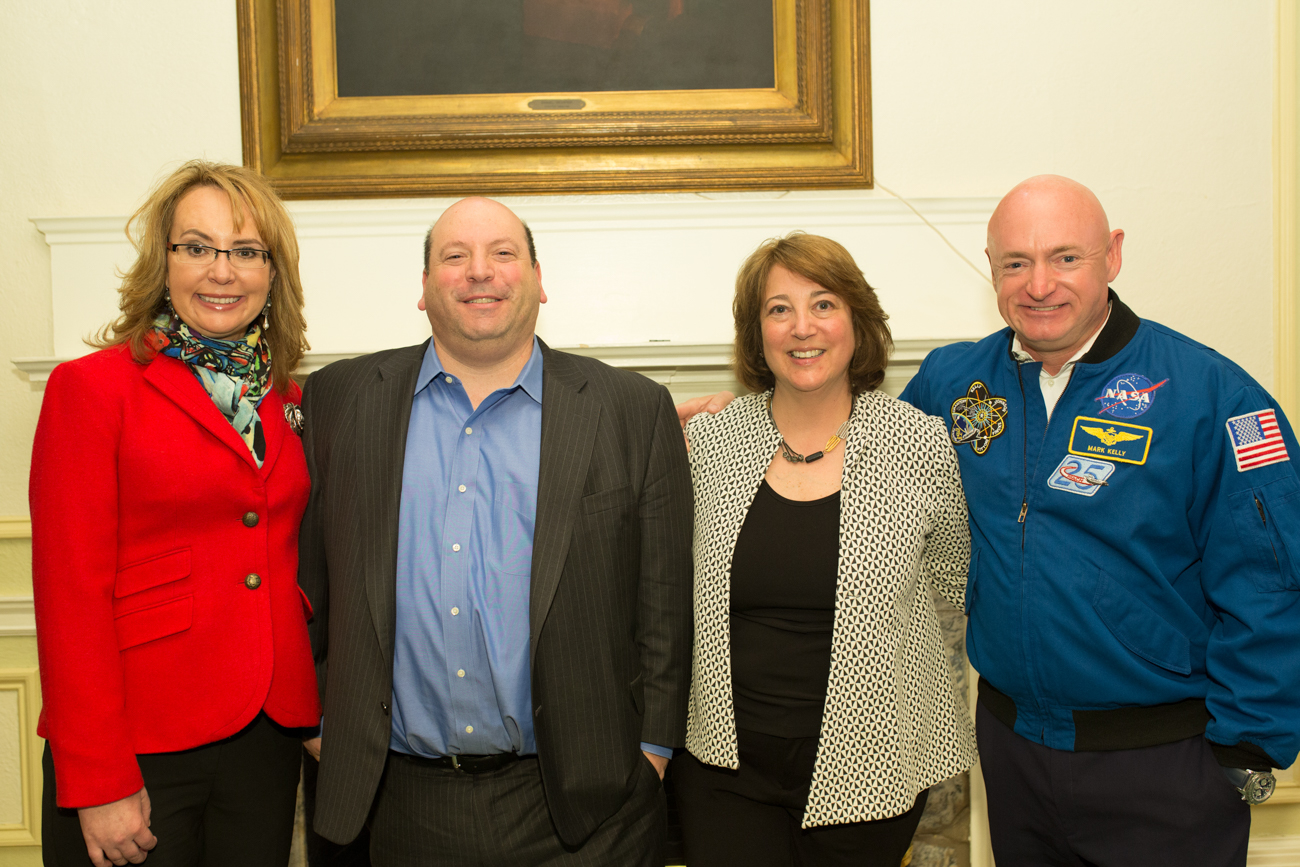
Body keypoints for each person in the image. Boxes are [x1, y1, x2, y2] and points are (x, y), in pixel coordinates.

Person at [681, 176, 1300, 866]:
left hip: (1162, 759)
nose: (1039, 285)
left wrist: (1250, 745)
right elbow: (862, 445)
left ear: (1112, 256)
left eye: (1066, 257)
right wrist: (710, 432)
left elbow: (1270, 577)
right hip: (1016, 754)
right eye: (1015, 263)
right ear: (992, 266)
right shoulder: (955, 383)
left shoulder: (1211, 395)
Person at [298, 196, 693, 866]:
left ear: (539, 279)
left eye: (502, 253)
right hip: (393, 800)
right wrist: (318, 723)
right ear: (424, 289)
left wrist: (650, 752)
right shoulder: (340, 398)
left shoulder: (631, 409)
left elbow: (664, 602)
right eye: (455, 256)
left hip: (586, 808)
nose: (480, 272)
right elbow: (307, 577)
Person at [30, 160, 321, 867]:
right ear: (162, 261)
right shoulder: (91, 390)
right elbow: (70, 597)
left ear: (272, 273)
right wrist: (97, 777)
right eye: (197, 246)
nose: (222, 271)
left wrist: (317, 707)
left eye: (246, 251)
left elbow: (292, 561)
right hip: (139, 742)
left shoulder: (291, 400)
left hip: (265, 738)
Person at [675, 232, 974, 867]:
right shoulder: (710, 443)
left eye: (824, 304)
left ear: (858, 323)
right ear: (756, 334)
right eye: (778, 308)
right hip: (724, 773)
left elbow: (953, 591)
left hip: (874, 773)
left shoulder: (919, 444)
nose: (801, 327)